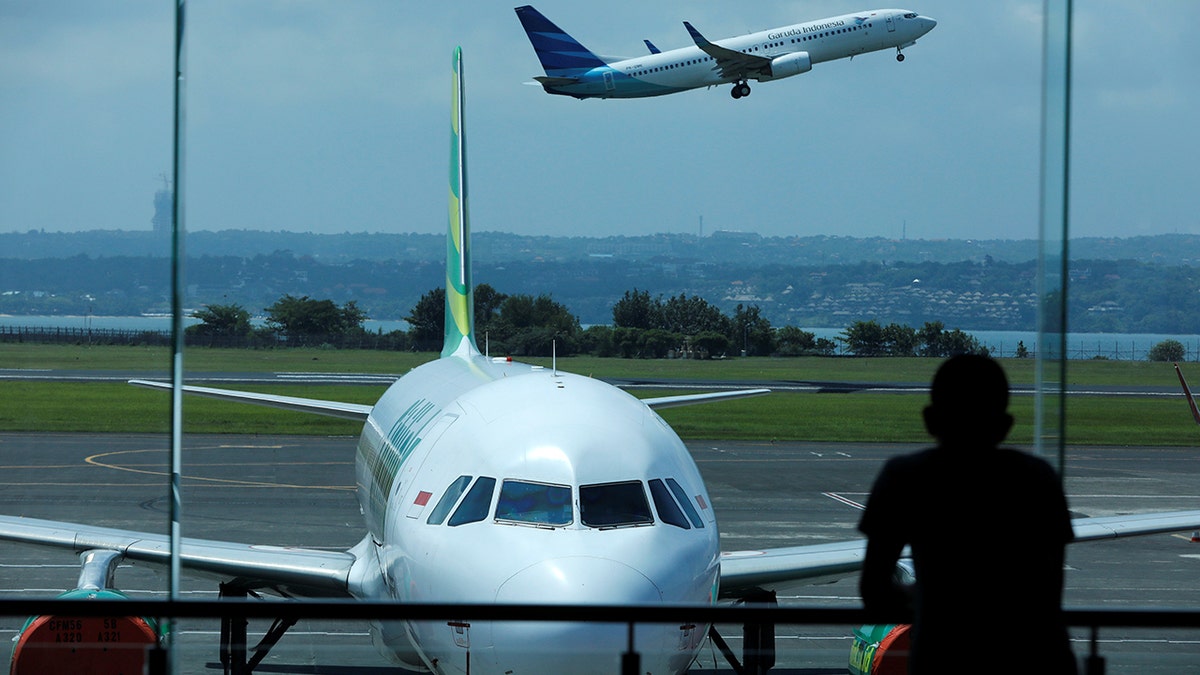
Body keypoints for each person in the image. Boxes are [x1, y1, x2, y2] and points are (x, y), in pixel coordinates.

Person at [858, 354, 1077, 674]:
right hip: (1034, 656)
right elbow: (1049, 588)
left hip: (942, 655)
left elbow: (873, 590)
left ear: (930, 420)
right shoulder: (1038, 479)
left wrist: (934, 599)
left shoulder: (903, 477)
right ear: (1005, 426)